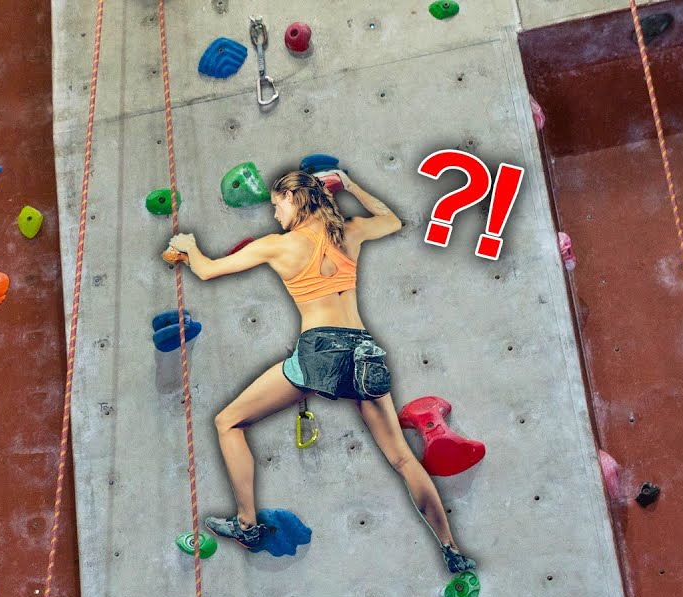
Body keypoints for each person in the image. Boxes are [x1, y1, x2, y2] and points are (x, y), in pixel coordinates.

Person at [166, 169, 476, 573]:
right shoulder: (349, 233)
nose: (275, 214)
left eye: (277, 205)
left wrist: (189, 246)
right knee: (402, 459)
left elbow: (206, 271)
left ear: (295, 200)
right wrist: (348, 183)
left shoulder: (279, 246)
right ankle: (451, 549)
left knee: (229, 422)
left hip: (320, 351)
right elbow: (392, 219)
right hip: (364, 351)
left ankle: (247, 524)